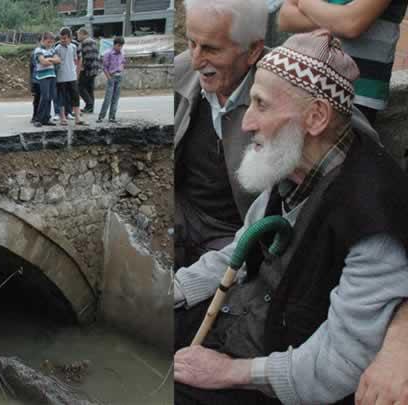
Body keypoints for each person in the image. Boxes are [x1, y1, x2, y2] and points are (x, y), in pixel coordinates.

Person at [173, 29, 408, 404]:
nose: (246, 122)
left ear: (315, 117)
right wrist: (176, 291)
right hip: (246, 320)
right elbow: (239, 249)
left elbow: (339, 364)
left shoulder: (371, 213)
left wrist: (228, 373)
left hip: (284, 371)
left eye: (261, 105)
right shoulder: (292, 161)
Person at [173, 0, 377, 269]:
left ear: (253, 50)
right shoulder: (182, 72)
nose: (197, 60)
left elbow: (354, 134)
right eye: (191, 43)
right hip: (182, 219)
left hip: (238, 239)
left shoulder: (284, 83)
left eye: (211, 48)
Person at [278, 0, 408, 125]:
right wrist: (339, 18)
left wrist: (304, 3)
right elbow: (285, 18)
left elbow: (351, 24)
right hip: (300, 83)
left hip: (355, 98)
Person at [53, 27, 85, 126]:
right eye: (61, 38)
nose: (63, 40)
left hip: (72, 76)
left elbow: (76, 60)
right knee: (61, 98)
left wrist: (77, 72)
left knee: (75, 97)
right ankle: (63, 118)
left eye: (65, 38)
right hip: (61, 77)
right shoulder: (57, 48)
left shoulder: (73, 47)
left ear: (70, 38)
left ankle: (77, 118)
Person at [33, 32, 61, 128]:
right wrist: (51, 59)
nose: (50, 44)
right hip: (43, 76)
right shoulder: (38, 50)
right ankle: (38, 118)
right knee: (44, 97)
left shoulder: (52, 50)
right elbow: (43, 62)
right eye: (48, 42)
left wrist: (49, 59)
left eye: (52, 42)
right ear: (43, 40)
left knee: (50, 97)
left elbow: (58, 60)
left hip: (52, 75)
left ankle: (46, 118)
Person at [96, 36, 126, 123]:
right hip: (111, 76)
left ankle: (112, 117)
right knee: (108, 98)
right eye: (119, 46)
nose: (120, 48)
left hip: (119, 76)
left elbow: (123, 62)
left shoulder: (122, 53)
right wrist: (109, 77)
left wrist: (121, 70)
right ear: (114, 45)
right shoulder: (108, 53)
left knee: (115, 98)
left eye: (121, 46)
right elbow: (104, 67)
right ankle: (101, 117)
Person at [77, 27, 101, 114]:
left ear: (83, 34)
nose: (78, 37)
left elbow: (87, 56)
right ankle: (90, 107)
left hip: (87, 68)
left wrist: (83, 67)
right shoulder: (94, 41)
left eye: (78, 35)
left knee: (80, 87)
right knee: (89, 88)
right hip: (94, 68)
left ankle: (89, 104)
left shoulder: (85, 42)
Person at [29, 38, 41, 124]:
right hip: (36, 79)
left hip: (44, 79)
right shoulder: (34, 53)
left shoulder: (48, 52)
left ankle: (41, 116)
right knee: (37, 99)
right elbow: (31, 68)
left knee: (44, 99)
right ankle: (35, 116)